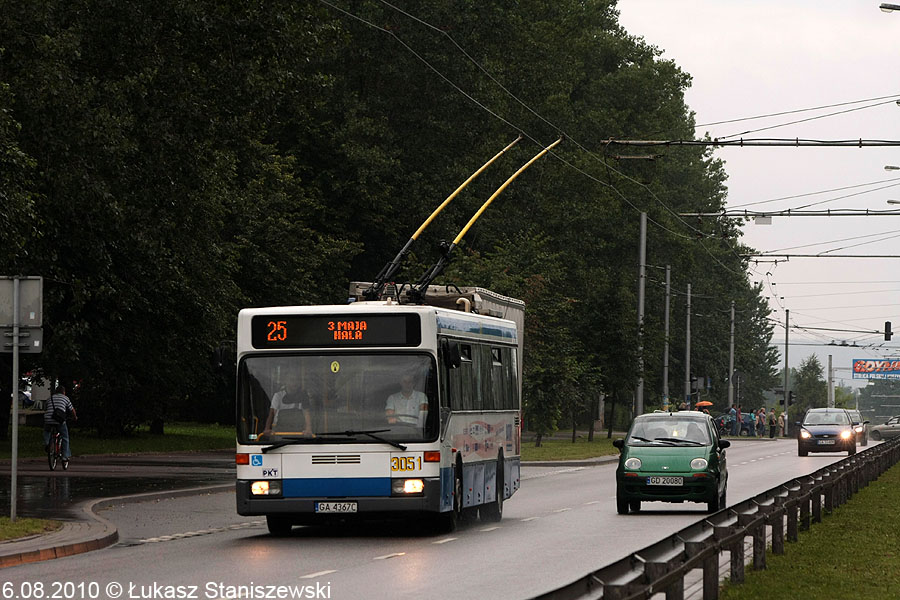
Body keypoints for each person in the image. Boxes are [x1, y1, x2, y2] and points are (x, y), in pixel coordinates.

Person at [262, 373, 313, 438]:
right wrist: (267, 428)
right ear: (285, 382)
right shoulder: (278, 396)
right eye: (292, 380)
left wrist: (308, 429)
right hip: (280, 433)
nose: (295, 383)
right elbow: (272, 413)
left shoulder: (303, 396)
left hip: (299, 433)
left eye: (297, 380)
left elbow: (307, 413)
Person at [43, 385, 76, 462]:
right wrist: (75, 417)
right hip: (59, 420)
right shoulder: (65, 398)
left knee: (46, 431)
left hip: (48, 419)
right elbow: (72, 410)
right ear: (63, 392)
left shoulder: (49, 398)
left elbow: (45, 408)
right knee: (65, 437)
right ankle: (65, 456)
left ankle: (48, 443)